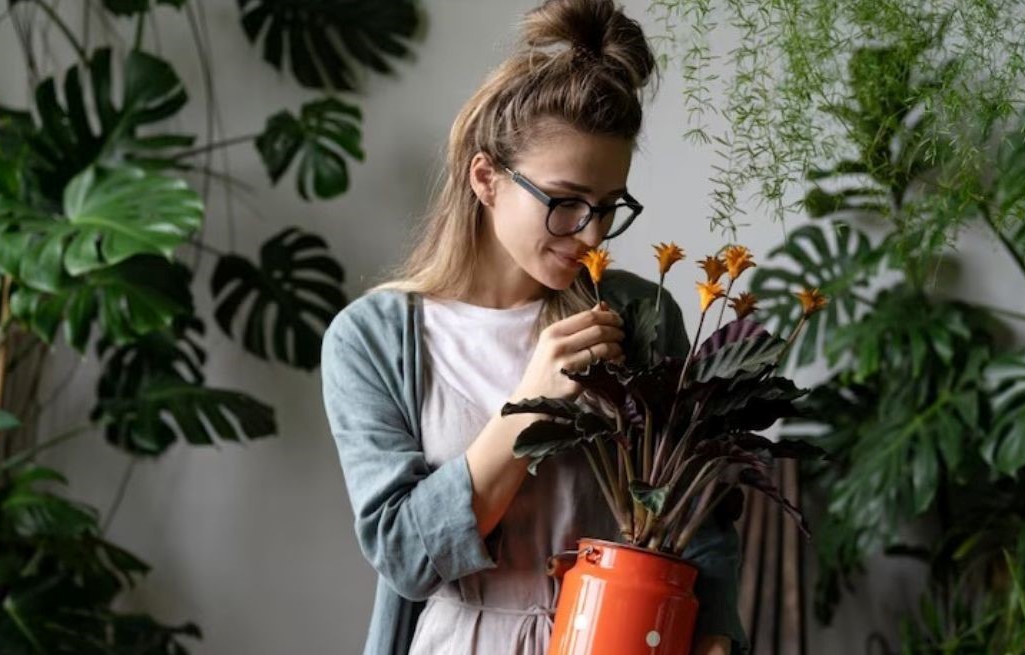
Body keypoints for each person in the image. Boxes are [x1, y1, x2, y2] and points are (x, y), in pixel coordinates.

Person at [319, 1, 745, 653]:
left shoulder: (637, 316)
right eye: (566, 201)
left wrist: (714, 631)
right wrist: (529, 405)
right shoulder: (372, 340)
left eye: (609, 207)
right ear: (486, 177)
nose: (592, 233)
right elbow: (404, 554)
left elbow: (696, 507)